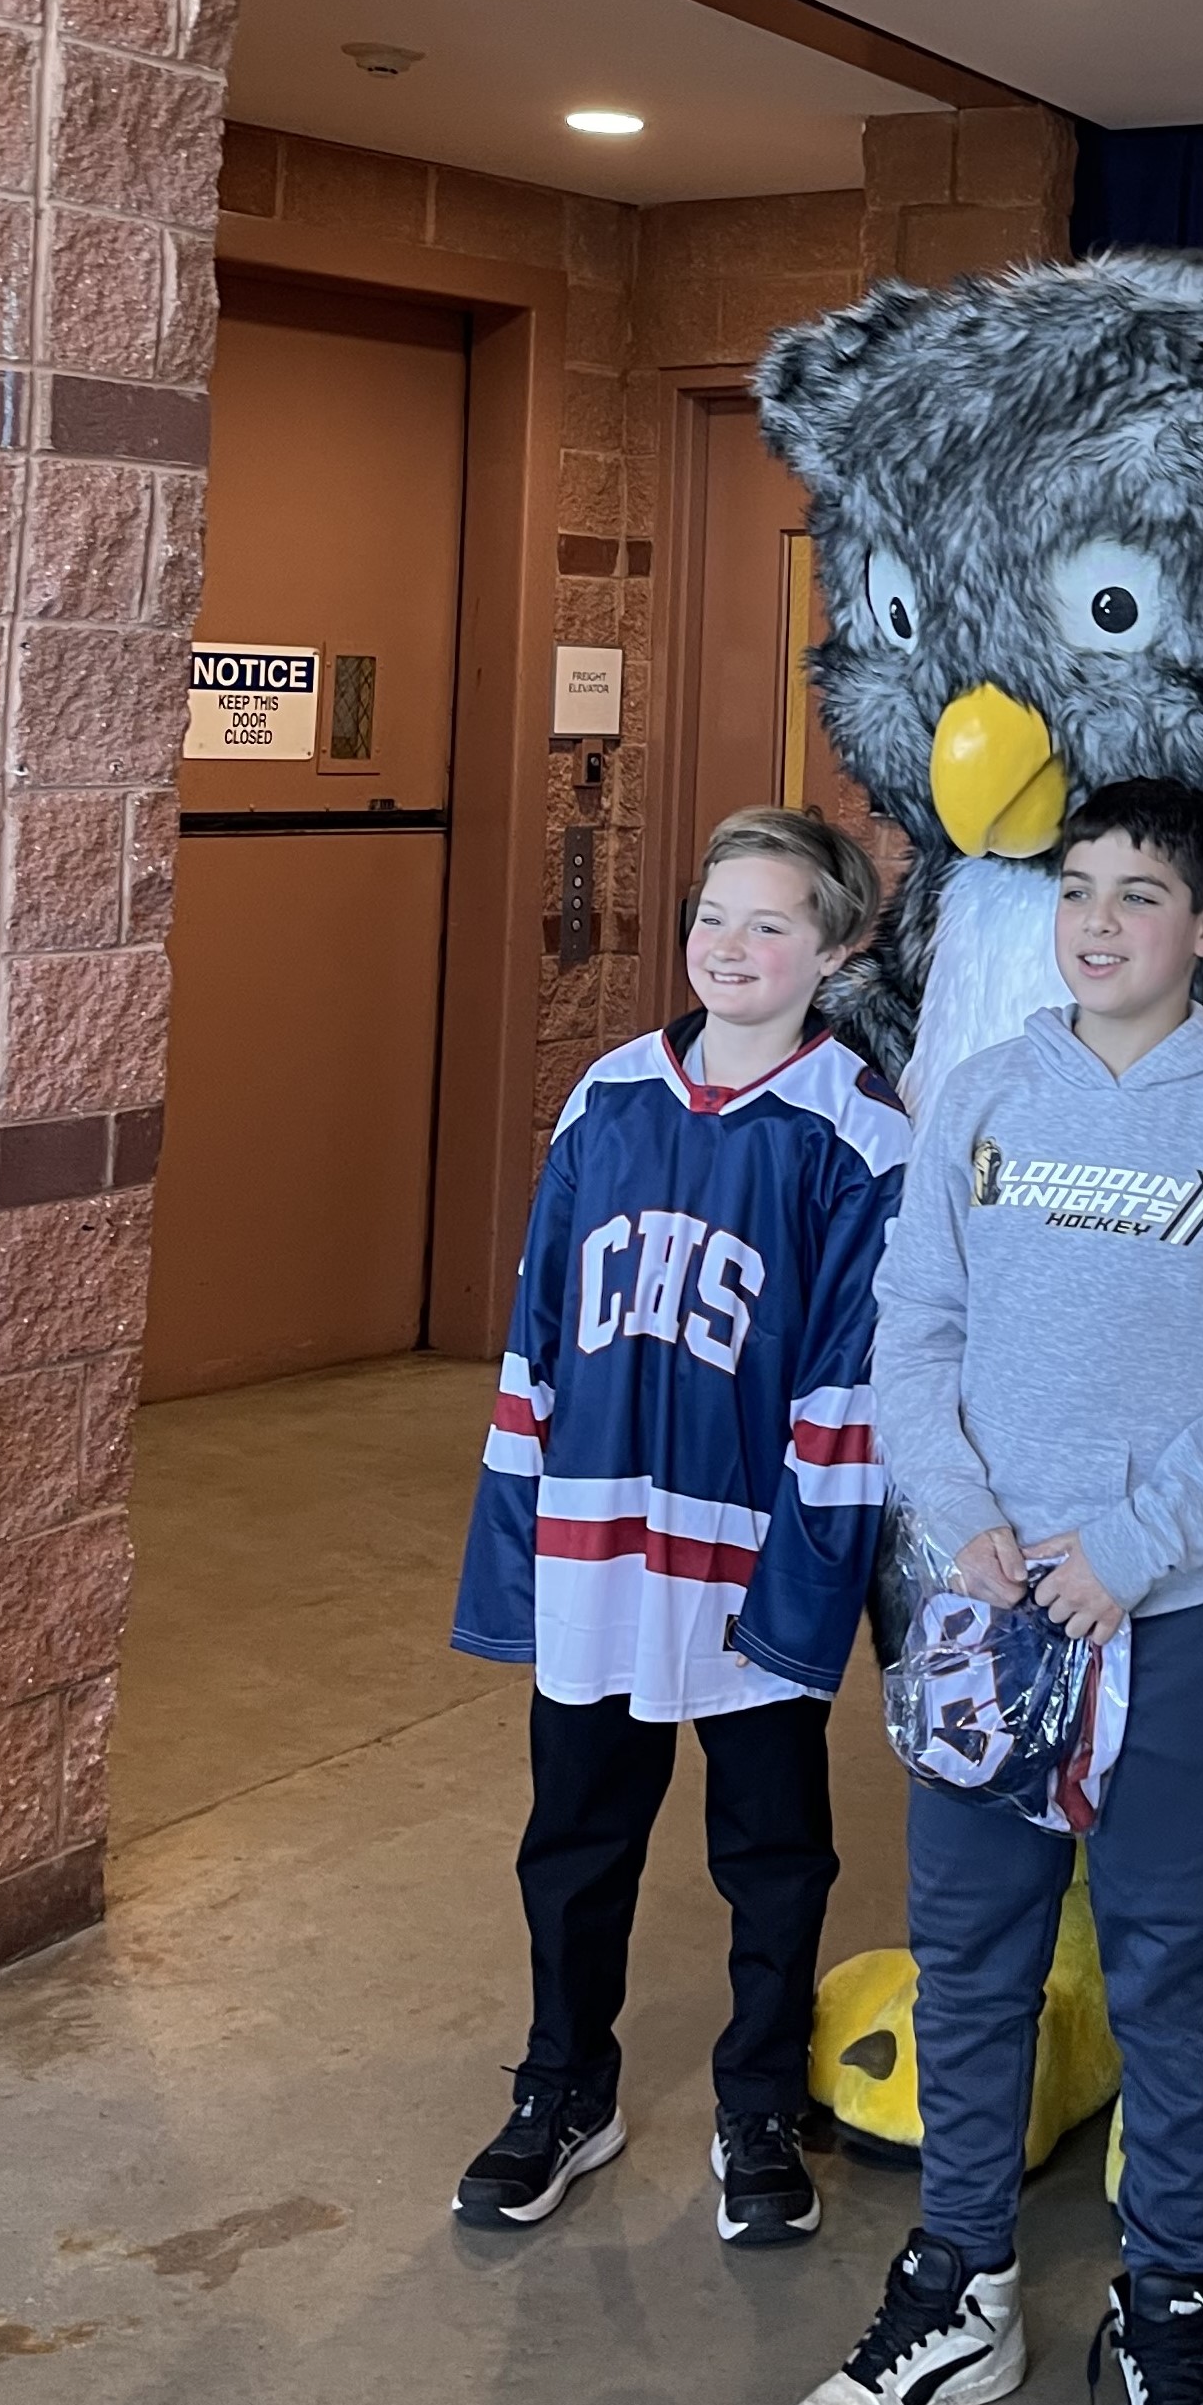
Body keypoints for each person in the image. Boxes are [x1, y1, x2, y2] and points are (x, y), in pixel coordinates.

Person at [784, 778, 1203, 2405]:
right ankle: (960, 2281)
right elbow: (915, 1322)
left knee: (1177, 1972)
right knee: (968, 1957)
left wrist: (1131, 1542)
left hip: (1176, 1624)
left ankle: (1166, 2302)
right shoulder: (987, 1092)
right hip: (985, 1613)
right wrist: (963, 1521)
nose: (1099, 922)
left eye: (1139, 893)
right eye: (1078, 890)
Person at [449, 807, 907, 2245]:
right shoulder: (605, 1096)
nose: (733, 947)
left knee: (769, 1848)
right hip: (595, 1542)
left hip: (746, 1563)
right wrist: (512, 1543)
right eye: (716, 914)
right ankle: (560, 2085)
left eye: (772, 923)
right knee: (575, 1832)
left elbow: (849, 1391)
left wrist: (804, 1589)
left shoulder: (858, 1135)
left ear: (837, 952)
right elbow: (536, 1337)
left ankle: (757, 2099)